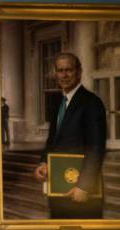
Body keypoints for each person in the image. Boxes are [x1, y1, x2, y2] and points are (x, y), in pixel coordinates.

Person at [34, 52, 107, 219]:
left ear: (79, 72)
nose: (64, 75)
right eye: (60, 70)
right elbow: (52, 140)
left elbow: (96, 148)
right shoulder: (58, 103)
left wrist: (84, 186)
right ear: (55, 73)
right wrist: (43, 162)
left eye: (69, 70)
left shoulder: (92, 102)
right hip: (58, 189)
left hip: (82, 194)